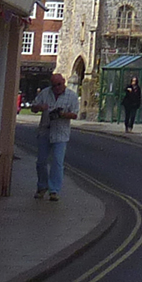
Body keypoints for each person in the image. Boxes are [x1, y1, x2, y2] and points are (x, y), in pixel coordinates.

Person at [32, 72, 82, 201]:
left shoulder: (71, 96)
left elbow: (75, 114)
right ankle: (42, 186)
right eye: (54, 85)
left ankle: (54, 190)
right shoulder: (45, 93)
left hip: (60, 133)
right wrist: (40, 107)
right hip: (45, 131)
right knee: (41, 162)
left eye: (59, 85)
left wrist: (63, 115)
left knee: (57, 162)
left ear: (64, 82)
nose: (56, 88)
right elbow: (33, 108)